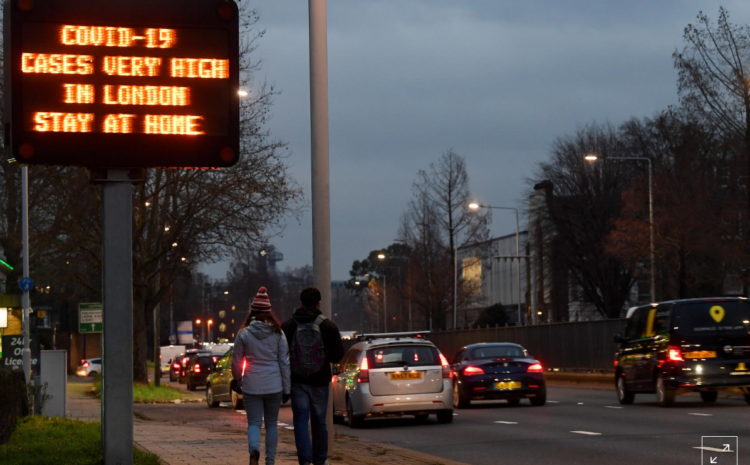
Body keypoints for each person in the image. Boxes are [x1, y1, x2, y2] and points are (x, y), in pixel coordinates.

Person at [282, 287, 344, 465]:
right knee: (319, 422)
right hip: (320, 381)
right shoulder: (327, 325)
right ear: (319, 303)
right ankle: (319, 460)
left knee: (300, 421)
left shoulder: (288, 326)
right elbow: (337, 355)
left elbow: (282, 355)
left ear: (300, 303)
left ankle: (304, 460)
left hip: (297, 380)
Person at [232, 287, 291, 465]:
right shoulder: (278, 334)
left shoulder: (244, 334)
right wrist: (287, 388)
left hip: (251, 384)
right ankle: (270, 462)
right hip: (274, 384)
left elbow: (236, 361)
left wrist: (238, 379)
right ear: (269, 312)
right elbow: (284, 362)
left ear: (253, 312)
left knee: (255, 422)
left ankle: (254, 449)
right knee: (272, 424)